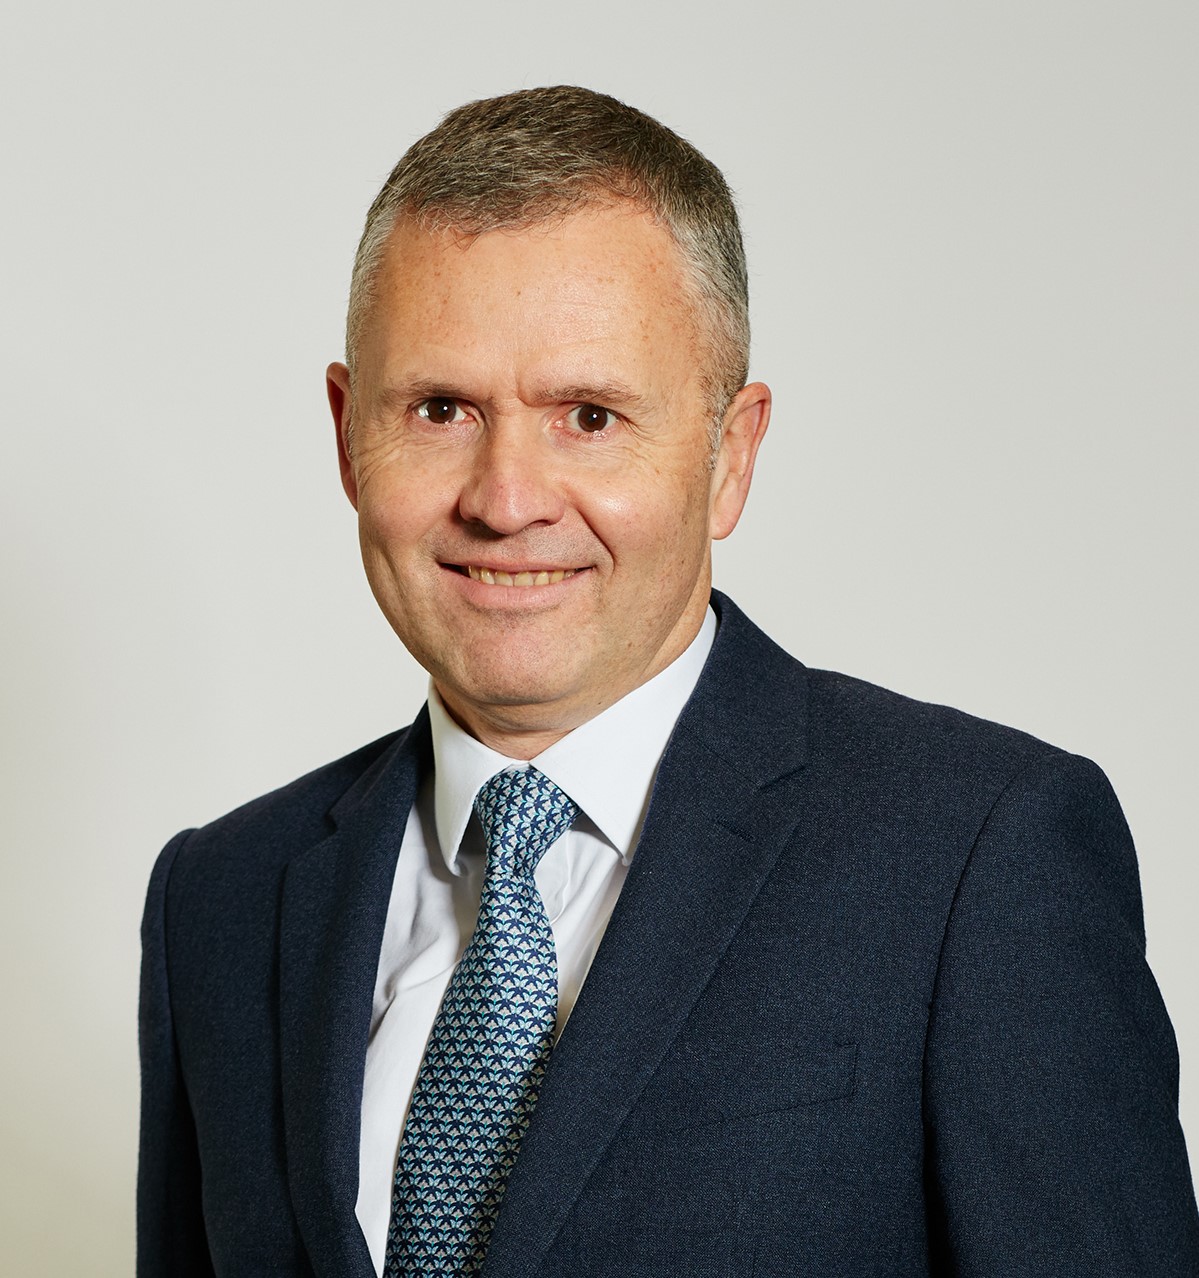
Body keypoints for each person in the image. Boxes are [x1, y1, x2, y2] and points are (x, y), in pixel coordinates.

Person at [137, 85, 1199, 1277]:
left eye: (588, 416)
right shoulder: (220, 901)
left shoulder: (974, 859)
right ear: (347, 434)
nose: (505, 499)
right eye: (440, 409)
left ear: (727, 456)